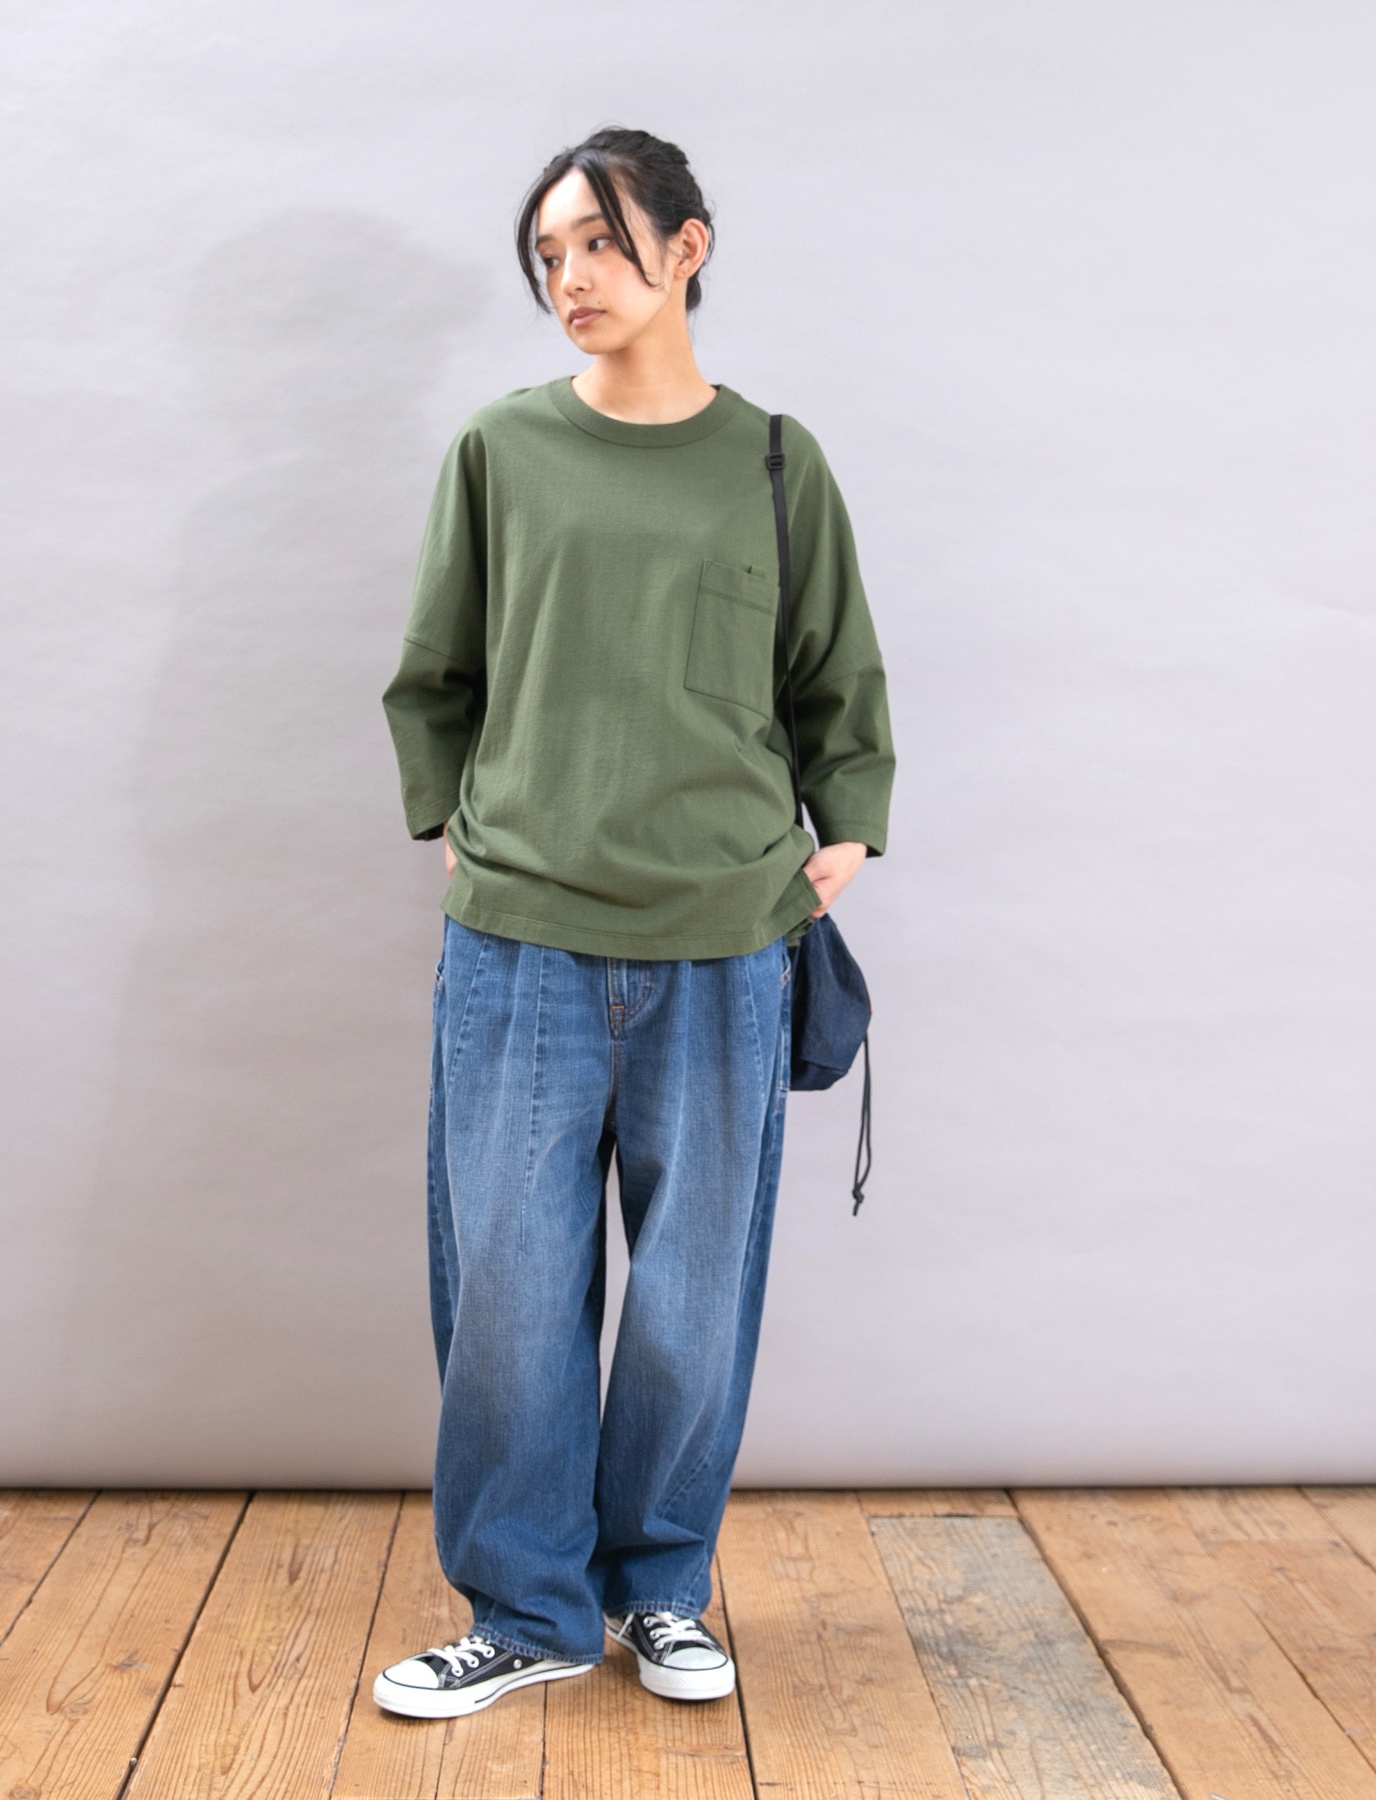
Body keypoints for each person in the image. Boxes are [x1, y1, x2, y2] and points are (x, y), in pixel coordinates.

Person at [375, 127, 894, 1719]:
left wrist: (848, 822)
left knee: (692, 1299)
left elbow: (834, 674)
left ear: (687, 247)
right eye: (549, 254)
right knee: (508, 1296)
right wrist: (455, 832)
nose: (571, 277)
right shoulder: (501, 451)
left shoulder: (776, 461)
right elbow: (434, 677)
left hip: (727, 949)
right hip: (520, 945)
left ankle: (661, 1591)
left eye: (599, 241)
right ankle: (526, 1611)